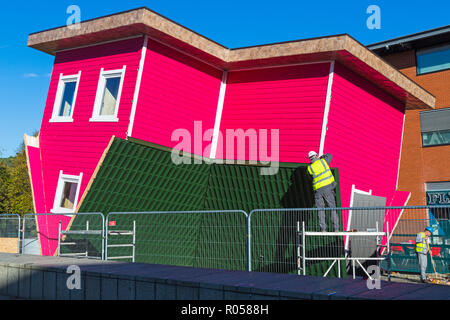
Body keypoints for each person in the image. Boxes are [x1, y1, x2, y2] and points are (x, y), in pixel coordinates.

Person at [307, 151, 339, 232]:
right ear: (316, 156)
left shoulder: (309, 168)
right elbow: (330, 155)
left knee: (320, 209)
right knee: (332, 208)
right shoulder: (323, 161)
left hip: (318, 190)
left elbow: (310, 178)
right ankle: (336, 228)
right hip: (327, 188)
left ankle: (323, 228)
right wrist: (321, 156)